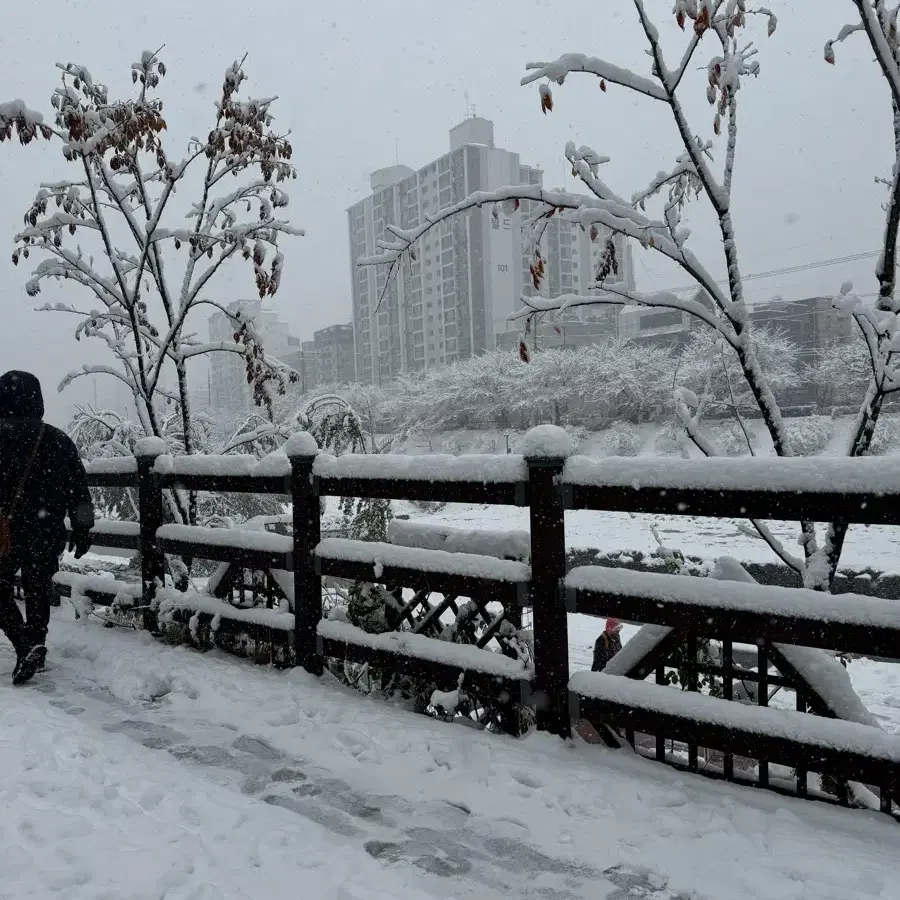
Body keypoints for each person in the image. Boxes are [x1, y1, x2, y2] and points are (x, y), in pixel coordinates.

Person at [0, 371, 94, 684]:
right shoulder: (57, 439)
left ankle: (24, 643)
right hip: (45, 529)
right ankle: (36, 643)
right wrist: (82, 528)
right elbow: (78, 489)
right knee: (38, 587)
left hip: (5, 533)